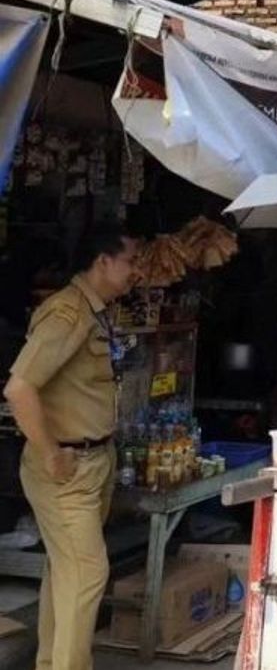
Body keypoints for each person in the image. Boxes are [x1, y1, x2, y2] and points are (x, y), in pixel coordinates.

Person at [5, 226, 136, 670]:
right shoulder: (66, 314)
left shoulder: (96, 312)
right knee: (87, 573)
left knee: (66, 574)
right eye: (129, 262)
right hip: (66, 465)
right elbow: (19, 388)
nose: (134, 272)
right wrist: (49, 452)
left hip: (92, 460)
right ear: (103, 261)